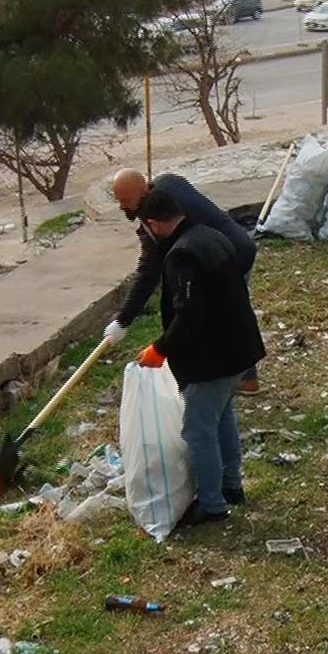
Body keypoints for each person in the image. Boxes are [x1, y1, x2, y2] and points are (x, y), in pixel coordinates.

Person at [132, 187, 266, 529]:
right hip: (240, 349)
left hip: (214, 358)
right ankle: (231, 485)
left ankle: (212, 503)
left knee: (197, 430)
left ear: (154, 223)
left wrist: (160, 349)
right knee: (222, 417)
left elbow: (188, 315)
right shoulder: (212, 236)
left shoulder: (182, 255)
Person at [107, 168, 266, 395]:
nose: (121, 207)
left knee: (220, 318)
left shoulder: (161, 211)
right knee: (227, 314)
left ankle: (227, 380)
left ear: (143, 192)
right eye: (119, 201)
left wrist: (122, 321)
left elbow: (149, 273)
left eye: (125, 200)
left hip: (229, 256)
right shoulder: (167, 184)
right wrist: (123, 320)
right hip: (231, 247)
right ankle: (238, 379)